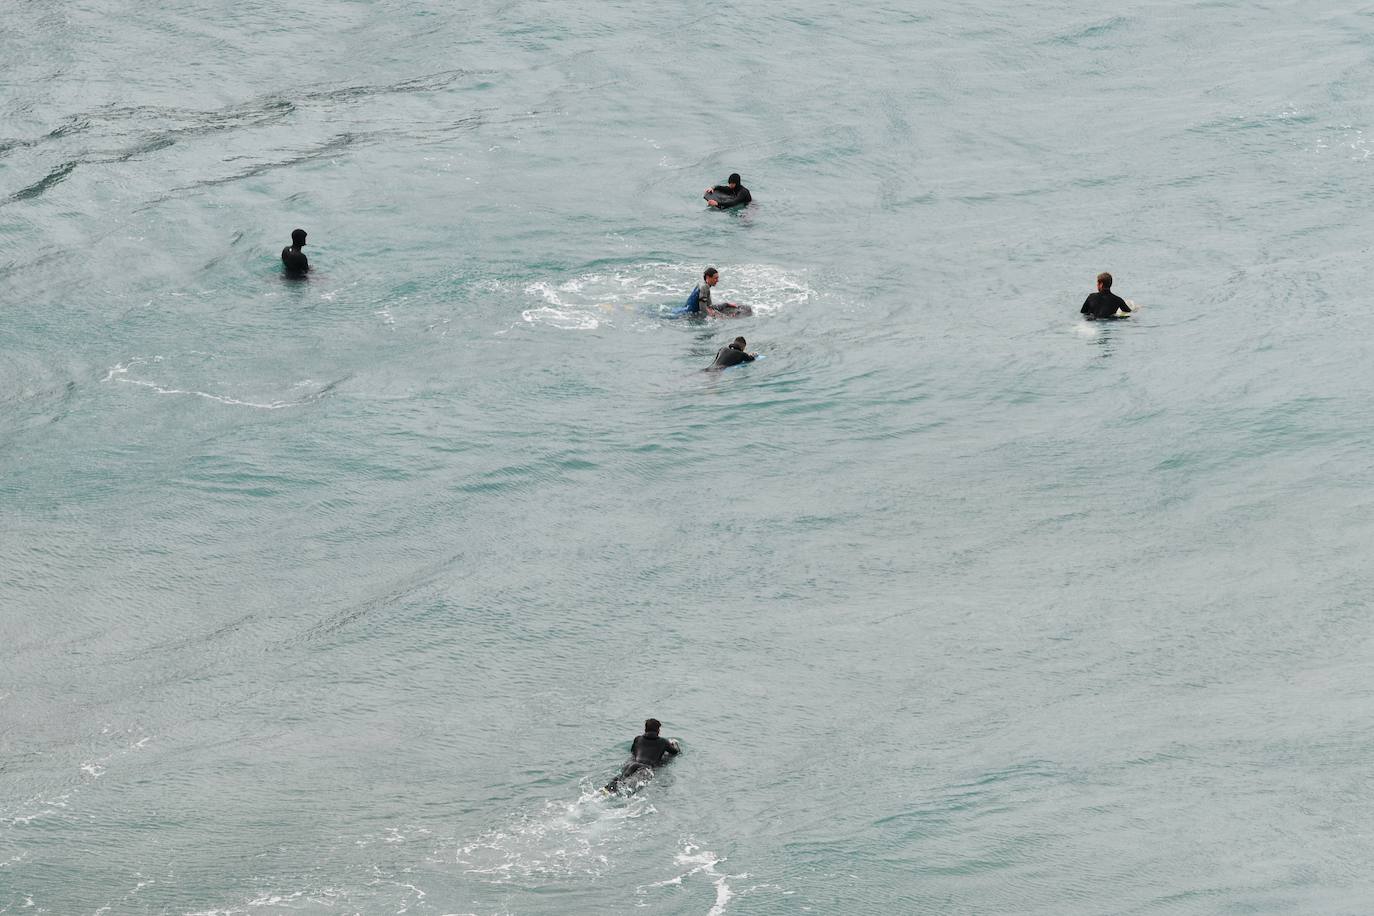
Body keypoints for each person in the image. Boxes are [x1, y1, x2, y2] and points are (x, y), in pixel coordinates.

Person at [604, 718, 681, 794]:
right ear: (658, 730)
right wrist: (675, 743)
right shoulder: (663, 741)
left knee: (620, 778)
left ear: (645, 729)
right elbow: (675, 752)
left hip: (632, 764)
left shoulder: (638, 739)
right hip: (645, 768)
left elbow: (633, 752)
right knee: (629, 786)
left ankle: (605, 790)